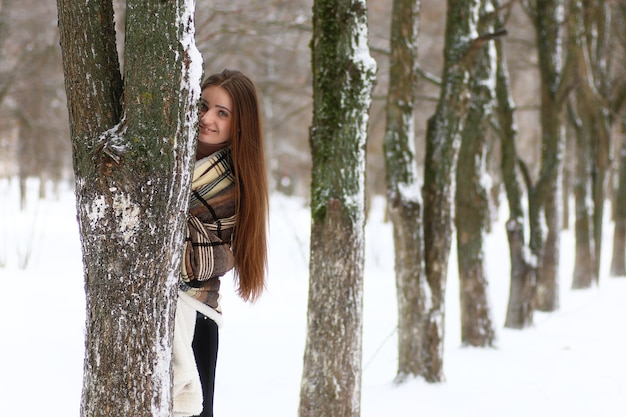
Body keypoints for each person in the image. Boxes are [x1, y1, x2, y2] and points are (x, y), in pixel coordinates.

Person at [172, 69, 268, 417]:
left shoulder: (228, 182)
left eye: (221, 113)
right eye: (203, 105)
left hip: (195, 316)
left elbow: (211, 258)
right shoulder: (180, 158)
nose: (206, 118)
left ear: (239, 124)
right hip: (175, 313)